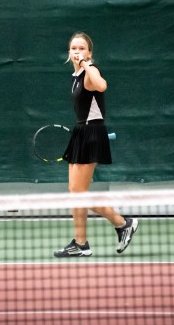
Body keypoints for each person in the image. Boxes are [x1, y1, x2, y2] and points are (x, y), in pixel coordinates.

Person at [54, 32, 138, 258]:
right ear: (68, 52)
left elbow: (101, 86)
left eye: (81, 48)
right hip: (81, 131)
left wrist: (87, 64)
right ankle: (80, 244)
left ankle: (122, 223)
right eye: (74, 48)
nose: (77, 52)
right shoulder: (75, 76)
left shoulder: (90, 73)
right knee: (75, 192)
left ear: (89, 53)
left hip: (92, 133)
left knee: (79, 193)